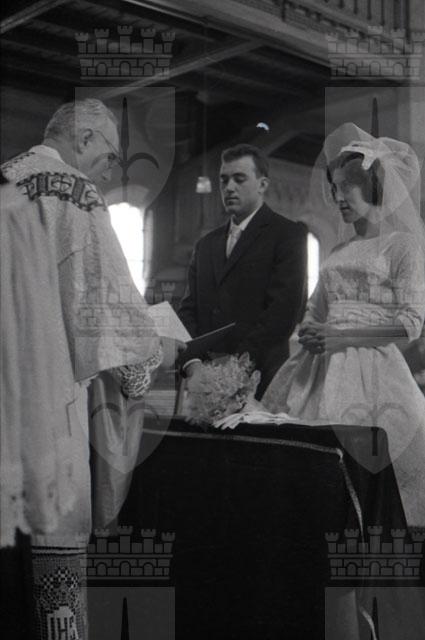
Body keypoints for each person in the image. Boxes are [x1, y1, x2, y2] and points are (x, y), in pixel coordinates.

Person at [0, 99, 179, 638]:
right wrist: (152, 358)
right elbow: (109, 309)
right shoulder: (75, 193)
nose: (109, 169)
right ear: (82, 139)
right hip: (47, 405)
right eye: (109, 155)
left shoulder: (5, 177)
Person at [262, 123, 425, 527]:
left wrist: (341, 336)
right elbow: (316, 307)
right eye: (333, 188)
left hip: (375, 373)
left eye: (345, 188)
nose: (337, 198)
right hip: (315, 369)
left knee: (371, 481)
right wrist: (310, 329)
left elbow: (411, 323)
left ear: (371, 187)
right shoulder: (338, 250)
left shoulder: (403, 246)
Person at [178, 143, 307, 397]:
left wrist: (234, 368)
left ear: (262, 184)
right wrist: (193, 363)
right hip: (204, 378)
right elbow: (188, 310)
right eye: (224, 180)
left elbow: (281, 315)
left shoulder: (287, 235)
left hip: (262, 378)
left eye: (239, 179)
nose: (229, 187)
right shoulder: (205, 245)